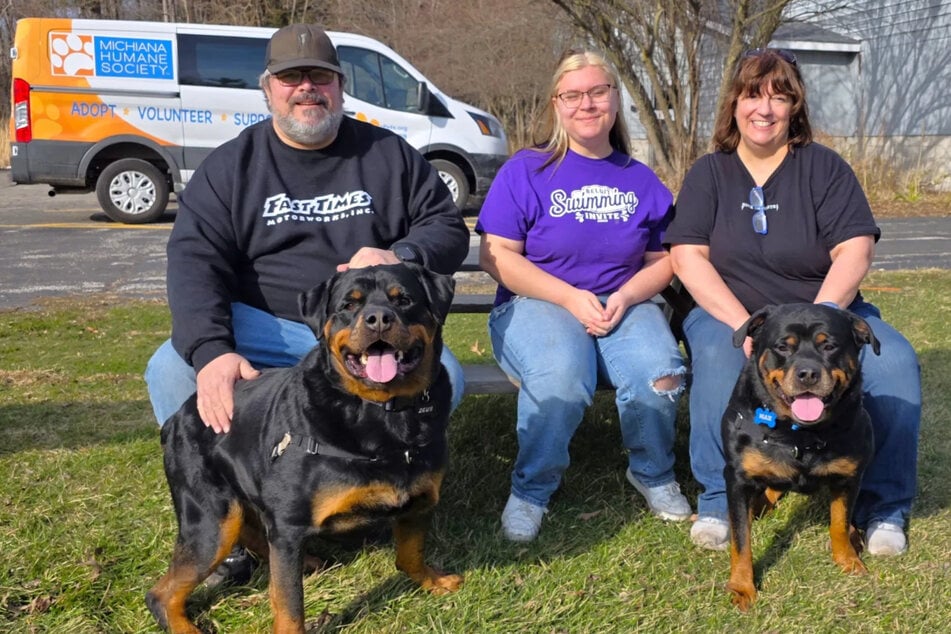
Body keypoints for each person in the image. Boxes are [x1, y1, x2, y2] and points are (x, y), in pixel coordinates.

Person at [144, 24, 470, 580]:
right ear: (267, 88)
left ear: (340, 86)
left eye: (320, 76)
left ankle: (378, 488)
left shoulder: (387, 154)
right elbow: (194, 260)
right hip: (261, 321)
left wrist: (399, 253)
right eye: (291, 77)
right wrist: (210, 350)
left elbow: (446, 225)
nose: (306, 88)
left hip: (358, 321)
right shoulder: (231, 167)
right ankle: (239, 521)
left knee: (451, 375)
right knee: (170, 370)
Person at [666, 48, 920, 556]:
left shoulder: (824, 168)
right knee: (720, 360)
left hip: (830, 310)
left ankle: (883, 507)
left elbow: (855, 248)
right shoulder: (709, 173)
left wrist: (822, 321)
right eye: (753, 94)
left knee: (896, 366)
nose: (765, 108)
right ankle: (719, 499)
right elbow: (687, 256)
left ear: (795, 108)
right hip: (733, 314)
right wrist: (747, 327)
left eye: (780, 97)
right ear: (734, 104)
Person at [475, 49, 690, 543]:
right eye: (573, 95)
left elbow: (665, 259)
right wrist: (571, 298)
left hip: (623, 304)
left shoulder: (640, 179)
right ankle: (531, 491)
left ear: (615, 100)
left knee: (659, 372)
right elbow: (497, 257)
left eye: (598, 92)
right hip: (537, 305)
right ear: (556, 104)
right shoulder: (526, 170)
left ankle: (653, 474)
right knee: (562, 376)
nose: (586, 104)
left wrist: (627, 295)